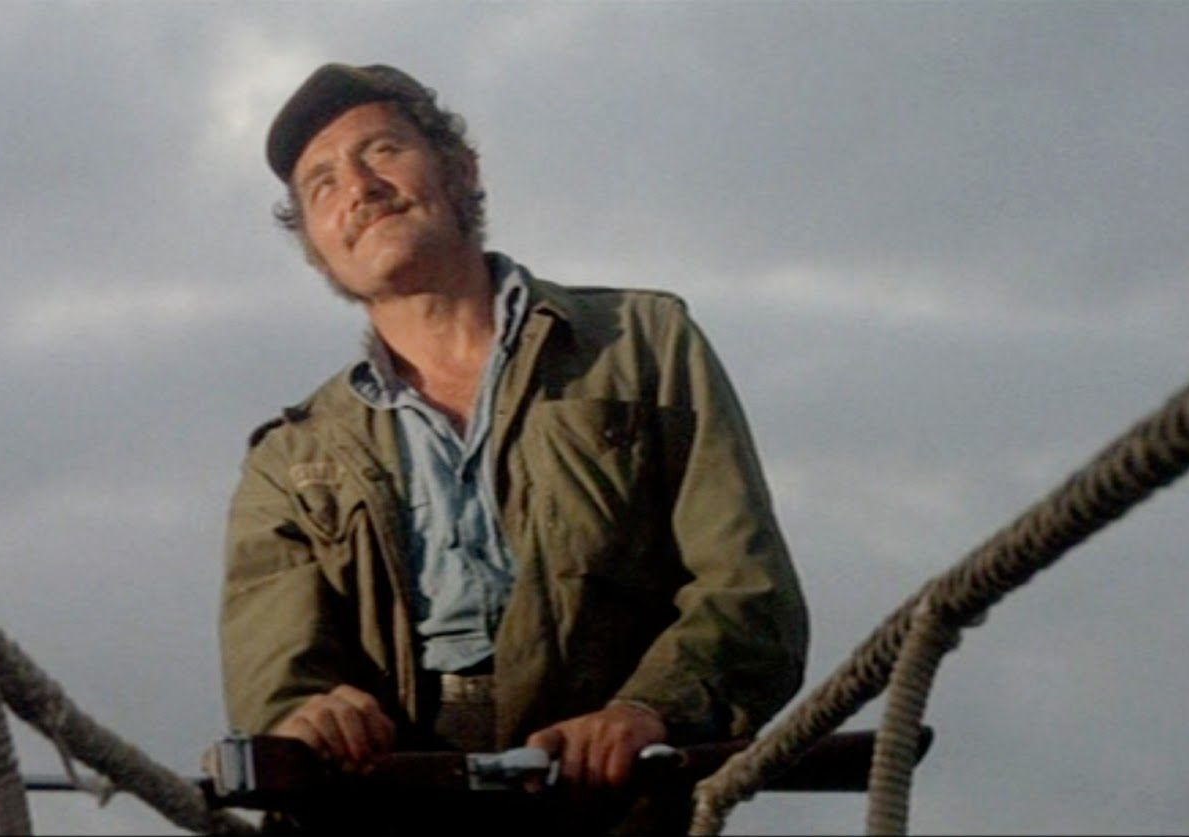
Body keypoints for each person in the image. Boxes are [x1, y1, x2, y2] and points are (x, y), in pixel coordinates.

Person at [219, 63, 808, 832]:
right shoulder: (288, 458)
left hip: (614, 805)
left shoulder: (643, 343)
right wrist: (306, 714)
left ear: (461, 170)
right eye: (322, 184)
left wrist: (648, 707)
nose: (359, 187)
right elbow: (278, 669)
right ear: (317, 248)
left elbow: (747, 590)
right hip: (391, 809)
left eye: (383, 150)